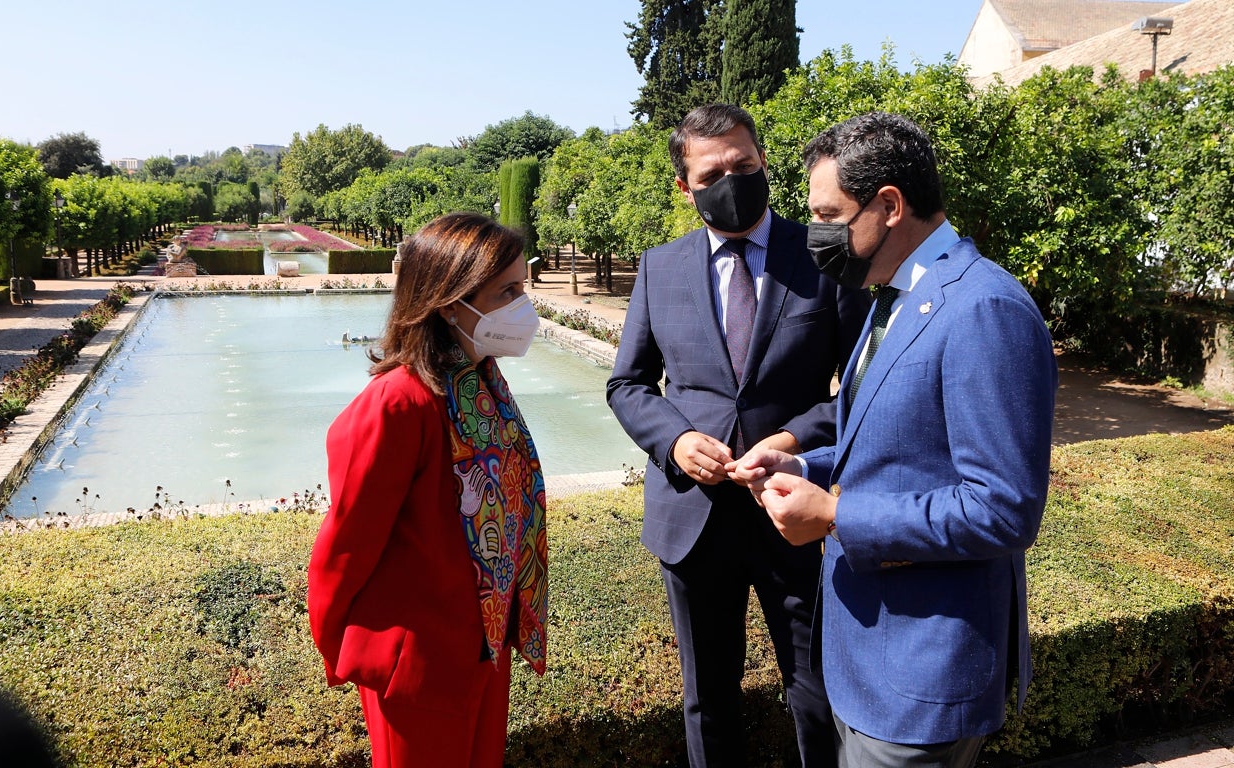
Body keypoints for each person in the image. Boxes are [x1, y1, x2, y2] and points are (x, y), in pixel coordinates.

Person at [729, 112, 1057, 768]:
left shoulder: (982, 309)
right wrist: (802, 462)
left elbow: (1003, 509)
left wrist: (835, 516)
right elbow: (887, 449)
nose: (817, 232)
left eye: (829, 214)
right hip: (867, 666)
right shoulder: (894, 296)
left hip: (920, 680)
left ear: (888, 205)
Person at [606, 103, 870, 767]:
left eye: (744, 165)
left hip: (795, 508)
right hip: (693, 519)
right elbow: (628, 384)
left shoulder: (825, 257)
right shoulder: (660, 268)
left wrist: (791, 438)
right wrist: (672, 441)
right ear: (684, 185)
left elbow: (869, 387)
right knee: (709, 697)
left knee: (816, 689)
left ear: (763, 163)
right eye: (713, 171)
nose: (732, 179)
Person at [308, 212, 548, 768]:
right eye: (506, 291)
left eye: (522, 288)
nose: (522, 306)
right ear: (448, 302)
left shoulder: (482, 379)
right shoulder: (398, 403)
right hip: (418, 665)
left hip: (484, 649)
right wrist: (339, 646)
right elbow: (347, 544)